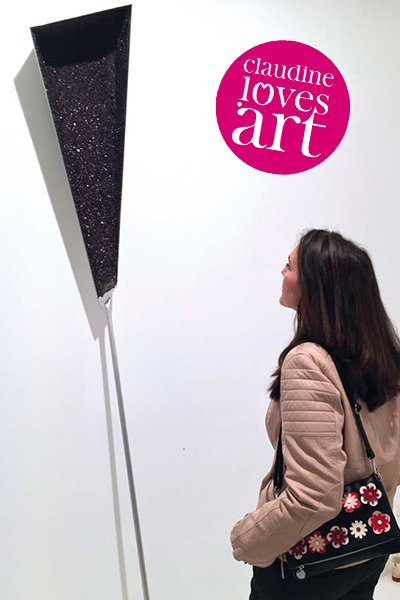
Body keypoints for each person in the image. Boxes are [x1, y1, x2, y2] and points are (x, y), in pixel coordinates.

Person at [230, 229, 400, 599]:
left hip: (310, 563)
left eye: (289, 266)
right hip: (367, 546)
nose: (282, 272)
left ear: (316, 285)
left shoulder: (307, 361)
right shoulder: (384, 357)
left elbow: (314, 496)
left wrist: (246, 539)